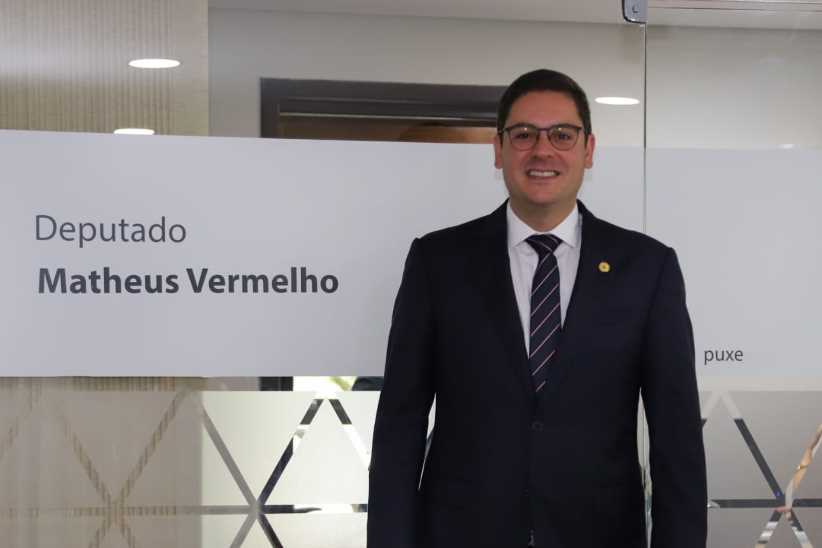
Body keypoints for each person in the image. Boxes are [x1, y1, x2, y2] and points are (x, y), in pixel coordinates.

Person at [367, 69, 706, 548]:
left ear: (588, 150)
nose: (542, 150)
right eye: (524, 134)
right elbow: (399, 428)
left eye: (562, 135)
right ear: (498, 149)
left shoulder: (648, 269)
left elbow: (677, 439)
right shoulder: (437, 263)